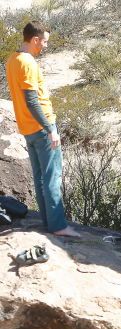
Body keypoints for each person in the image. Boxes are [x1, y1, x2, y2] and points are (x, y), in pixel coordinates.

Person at [5, 21, 79, 237]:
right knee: (52, 177)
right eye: (44, 41)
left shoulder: (12, 59)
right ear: (35, 39)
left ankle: (49, 222)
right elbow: (32, 101)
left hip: (27, 128)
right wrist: (50, 128)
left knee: (39, 177)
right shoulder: (27, 62)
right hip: (40, 127)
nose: (45, 46)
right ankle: (58, 226)